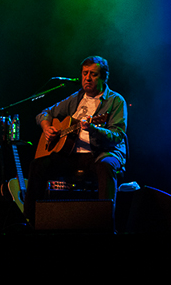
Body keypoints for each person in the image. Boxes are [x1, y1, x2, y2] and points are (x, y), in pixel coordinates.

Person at [23, 56, 128, 226]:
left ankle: (105, 224)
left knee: (106, 165)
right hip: (72, 155)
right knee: (38, 165)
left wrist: (95, 129)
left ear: (103, 77)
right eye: (84, 73)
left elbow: (117, 135)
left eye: (93, 74)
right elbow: (44, 113)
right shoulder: (76, 98)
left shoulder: (115, 101)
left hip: (101, 153)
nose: (87, 78)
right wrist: (46, 127)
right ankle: (29, 220)